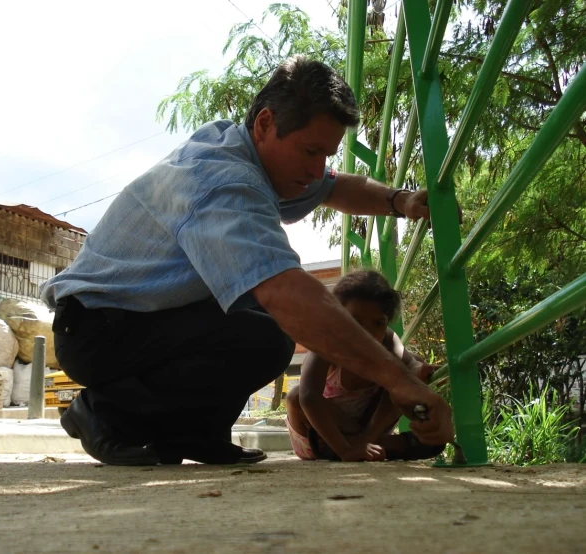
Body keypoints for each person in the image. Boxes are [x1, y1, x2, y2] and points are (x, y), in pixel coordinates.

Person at [40, 55, 454, 466]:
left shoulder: (243, 145)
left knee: (252, 314)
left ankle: (196, 434)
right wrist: (398, 380)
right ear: (264, 123)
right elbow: (288, 293)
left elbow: (333, 187)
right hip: (100, 330)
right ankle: (104, 411)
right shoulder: (224, 181)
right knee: (267, 331)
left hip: (141, 319)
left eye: (325, 154)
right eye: (311, 151)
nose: (317, 169)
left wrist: (398, 201)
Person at [286, 270, 445, 462]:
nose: (366, 333)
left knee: (403, 375)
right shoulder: (327, 343)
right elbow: (308, 396)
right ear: (338, 317)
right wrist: (345, 450)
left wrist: (420, 371)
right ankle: (359, 446)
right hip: (321, 431)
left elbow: (411, 363)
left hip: (369, 428)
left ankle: (365, 443)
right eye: (354, 321)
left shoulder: (387, 341)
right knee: (295, 396)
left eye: (378, 323)